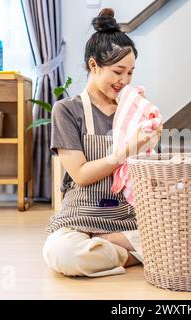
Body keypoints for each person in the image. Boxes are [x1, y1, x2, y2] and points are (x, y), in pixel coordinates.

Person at [43, 8, 162, 277]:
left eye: (130, 73)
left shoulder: (136, 111)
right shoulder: (67, 110)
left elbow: (150, 178)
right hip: (81, 216)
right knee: (63, 253)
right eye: (118, 71)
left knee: (187, 228)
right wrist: (127, 150)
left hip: (128, 217)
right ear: (94, 65)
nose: (125, 81)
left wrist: (152, 143)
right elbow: (82, 175)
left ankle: (109, 247)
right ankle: (133, 252)